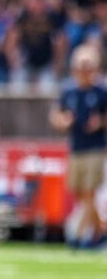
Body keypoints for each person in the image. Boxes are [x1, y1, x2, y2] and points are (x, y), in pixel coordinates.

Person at [48, 44, 107, 248]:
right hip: (76, 147)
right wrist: (62, 121)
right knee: (79, 192)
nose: (85, 72)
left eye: (88, 67)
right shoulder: (69, 90)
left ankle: (79, 235)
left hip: (96, 147)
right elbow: (55, 115)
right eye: (81, 67)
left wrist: (100, 122)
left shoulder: (101, 90)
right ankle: (101, 232)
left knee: (90, 191)